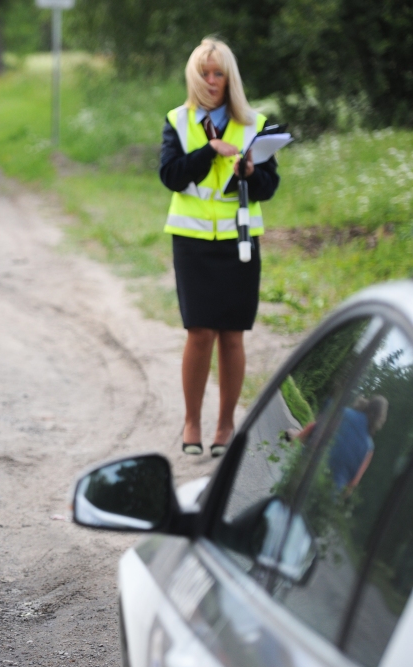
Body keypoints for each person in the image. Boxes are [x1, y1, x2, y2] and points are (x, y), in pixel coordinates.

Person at [159, 37, 280, 458]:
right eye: (204, 74)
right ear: (194, 77)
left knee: (232, 336)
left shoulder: (255, 123)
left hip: (239, 242)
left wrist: (249, 170)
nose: (211, 82)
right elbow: (170, 176)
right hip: (192, 243)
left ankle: (225, 426)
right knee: (199, 332)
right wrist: (207, 151)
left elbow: (270, 186)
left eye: (219, 74)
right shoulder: (178, 120)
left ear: (230, 78)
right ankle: (192, 422)